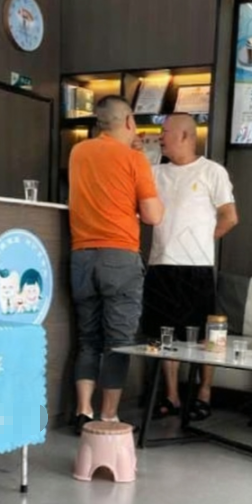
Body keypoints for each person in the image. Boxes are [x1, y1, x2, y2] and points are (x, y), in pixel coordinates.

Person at [68, 95, 164, 434]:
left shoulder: (78, 152)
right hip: (120, 257)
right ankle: (108, 416)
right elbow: (152, 215)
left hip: (81, 256)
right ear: (129, 121)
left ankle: (83, 410)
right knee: (118, 341)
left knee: (88, 339)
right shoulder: (134, 159)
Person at [141, 113, 239, 422]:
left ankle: (204, 394)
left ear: (185, 135)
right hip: (160, 265)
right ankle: (171, 396)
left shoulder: (212, 171)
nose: (160, 136)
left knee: (203, 336)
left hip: (196, 267)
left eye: (165, 131)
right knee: (163, 335)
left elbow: (230, 217)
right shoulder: (154, 172)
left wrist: (202, 242)